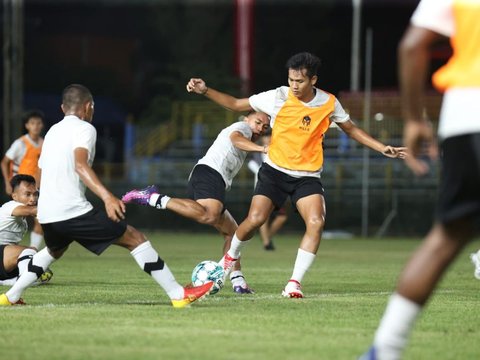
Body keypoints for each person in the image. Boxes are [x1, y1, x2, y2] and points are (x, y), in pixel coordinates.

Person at [186, 52, 407, 298]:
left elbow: (351, 129)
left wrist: (382, 148)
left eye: (299, 81)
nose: (294, 85)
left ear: (313, 79)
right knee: (256, 219)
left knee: (316, 222)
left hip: (308, 176)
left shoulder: (329, 103)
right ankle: (228, 261)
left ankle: (294, 283)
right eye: (291, 79)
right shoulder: (278, 96)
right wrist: (205, 90)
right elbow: (238, 104)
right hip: (274, 172)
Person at [0, 84, 213, 307]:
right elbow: (80, 165)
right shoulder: (84, 129)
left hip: (48, 213)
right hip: (71, 210)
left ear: (63, 108)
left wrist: (43, 205)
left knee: (53, 250)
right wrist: (108, 197)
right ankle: (178, 295)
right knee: (134, 238)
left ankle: (11, 296)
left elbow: (41, 172)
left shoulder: (52, 132)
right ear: (88, 106)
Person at [360, 0, 480, 358]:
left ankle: (385, 349)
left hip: (466, 113)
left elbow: (412, 45)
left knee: (446, 237)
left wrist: (414, 119)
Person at [122, 111, 270, 294]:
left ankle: (237, 280)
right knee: (210, 215)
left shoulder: (247, 133)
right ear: (246, 119)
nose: (260, 129)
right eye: (258, 122)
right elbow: (236, 139)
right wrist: (263, 149)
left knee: (236, 235)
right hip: (210, 173)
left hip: (210, 177)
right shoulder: (242, 128)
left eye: (265, 127)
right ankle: (151, 197)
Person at [1, 110, 45, 250]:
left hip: (35, 188)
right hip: (21, 189)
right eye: (32, 123)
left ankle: (32, 251)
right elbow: (4, 162)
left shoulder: (44, 144)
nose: (36, 126)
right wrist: (8, 183)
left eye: (38, 123)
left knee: (40, 220)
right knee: (20, 216)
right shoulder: (20, 143)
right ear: (27, 125)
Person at [0, 174, 52, 288]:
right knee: (30, 252)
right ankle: (21, 280)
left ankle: (10, 281)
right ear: (14, 196)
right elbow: (33, 211)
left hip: (4, 260)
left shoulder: (23, 222)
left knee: (40, 267)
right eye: (27, 194)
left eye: (35, 194)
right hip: (3, 256)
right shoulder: (10, 207)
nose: (32, 199)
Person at [247, 132, 288, 251]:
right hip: (263, 189)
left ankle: (267, 237)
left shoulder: (280, 151)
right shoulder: (258, 153)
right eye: (266, 136)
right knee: (264, 217)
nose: (268, 139)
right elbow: (252, 165)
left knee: (282, 217)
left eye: (270, 136)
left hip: (279, 188)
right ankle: (266, 243)